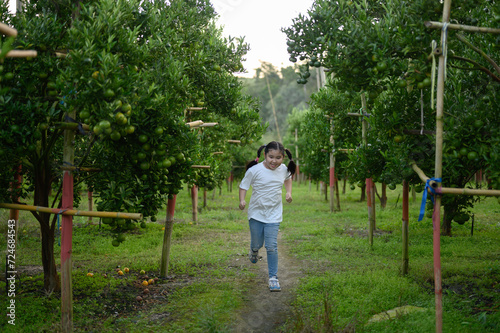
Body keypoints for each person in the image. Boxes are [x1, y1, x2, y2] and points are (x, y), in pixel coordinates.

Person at [238, 141, 296, 292]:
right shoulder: (255, 170)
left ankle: (273, 278)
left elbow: (288, 179)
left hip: (274, 215)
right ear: (264, 155)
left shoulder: (283, 169)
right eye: (271, 157)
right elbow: (243, 186)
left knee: (271, 246)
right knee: (257, 243)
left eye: (278, 158)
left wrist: (288, 192)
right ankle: (254, 250)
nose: (274, 161)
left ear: (283, 157)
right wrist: (242, 200)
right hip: (256, 214)